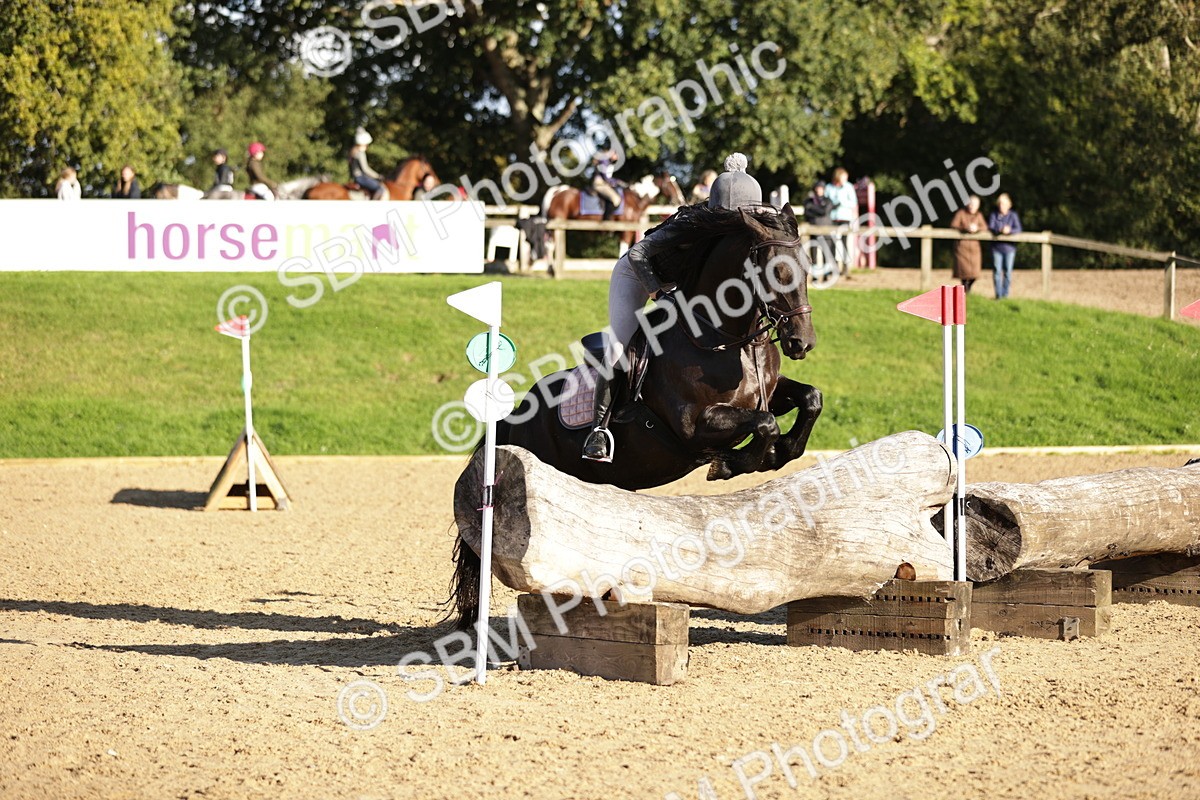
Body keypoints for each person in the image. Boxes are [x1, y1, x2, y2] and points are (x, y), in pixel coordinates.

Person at [581, 152, 763, 462]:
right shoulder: (692, 222)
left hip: (677, 280)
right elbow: (638, 254)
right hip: (638, 274)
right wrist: (657, 292)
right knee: (619, 347)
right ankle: (599, 430)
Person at [949, 195, 986, 294]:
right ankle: (965, 292)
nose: (972, 206)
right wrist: (965, 228)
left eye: (975, 204)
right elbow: (953, 225)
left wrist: (977, 229)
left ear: (978, 206)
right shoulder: (961, 213)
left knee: (975, 273)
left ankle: (967, 289)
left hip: (974, 249)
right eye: (971, 204)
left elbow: (985, 227)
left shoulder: (979, 215)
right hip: (962, 248)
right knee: (963, 273)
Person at [988, 193, 1022, 298]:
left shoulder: (1013, 215)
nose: (1001, 206)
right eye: (1000, 204)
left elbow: (1018, 229)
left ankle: (1005, 295)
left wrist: (1009, 231)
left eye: (1003, 204)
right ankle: (998, 295)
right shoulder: (994, 215)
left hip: (1009, 248)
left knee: (1008, 272)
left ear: (1009, 205)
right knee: (997, 272)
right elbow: (991, 226)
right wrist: (999, 230)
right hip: (996, 248)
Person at [825, 167, 858, 271]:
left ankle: (845, 265)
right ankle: (833, 266)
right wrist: (832, 205)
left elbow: (853, 202)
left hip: (844, 217)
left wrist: (842, 202)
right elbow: (825, 201)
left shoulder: (848, 187)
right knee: (832, 242)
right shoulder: (829, 187)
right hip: (832, 218)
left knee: (844, 241)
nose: (845, 180)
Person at [348, 127, 387, 200]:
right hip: (361, 178)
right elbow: (365, 169)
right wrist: (378, 176)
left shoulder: (353, 152)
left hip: (356, 178)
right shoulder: (360, 153)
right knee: (381, 189)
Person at [589, 147, 623, 219]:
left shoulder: (606, 161)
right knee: (616, 199)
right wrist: (616, 181)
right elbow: (605, 177)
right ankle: (606, 220)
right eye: (617, 155)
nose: (618, 157)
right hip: (599, 184)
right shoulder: (604, 161)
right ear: (613, 153)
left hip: (603, 183)